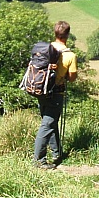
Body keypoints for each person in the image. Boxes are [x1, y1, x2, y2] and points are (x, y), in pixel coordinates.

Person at [33, 21, 77, 169]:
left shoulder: (45, 49)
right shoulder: (70, 55)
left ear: (55, 33)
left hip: (41, 90)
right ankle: (39, 160)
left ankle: (57, 153)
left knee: (51, 122)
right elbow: (72, 78)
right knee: (47, 125)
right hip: (56, 93)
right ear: (67, 35)